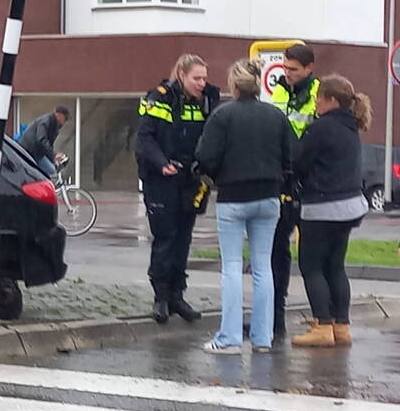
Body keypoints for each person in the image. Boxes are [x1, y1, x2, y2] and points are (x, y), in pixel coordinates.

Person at [194, 60, 293, 354]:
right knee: (264, 268)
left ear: (234, 85)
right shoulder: (275, 116)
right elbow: (291, 155)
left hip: (234, 198)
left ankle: (230, 338)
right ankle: (263, 338)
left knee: (233, 267)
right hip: (269, 197)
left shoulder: (222, 116)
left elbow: (205, 156)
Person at [136, 54, 221, 323]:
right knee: (165, 237)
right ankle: (160, 297)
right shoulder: (158, 98)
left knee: (184, 239)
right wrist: (161, 164)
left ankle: (177, 296)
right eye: (197, 78)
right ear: (182, 75)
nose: (202, 83)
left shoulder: (207, 101)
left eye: (204, 78)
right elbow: (144, 138)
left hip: (191, 181)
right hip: (161, 180)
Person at [291, 74, 371, 348]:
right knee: (336, 266)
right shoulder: (352, 126)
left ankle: (322, 325)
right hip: (350, 205)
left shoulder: (321, 127)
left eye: (318, 99)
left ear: (331, 100)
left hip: (322, 206)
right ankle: (342, 325)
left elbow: (300, 162)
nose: (315, 104)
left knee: (311, 266)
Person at [269, 44, 320, 338]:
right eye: (285, 68)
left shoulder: (317, 94)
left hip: (307, 182)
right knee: (278, 251)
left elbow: (316, 139)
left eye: (294, 69)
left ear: (310, 68)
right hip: (282, 179)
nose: (287, 74)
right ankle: (276, 319)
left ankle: (323, 320)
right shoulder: (279, 91)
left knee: (312, 257)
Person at [17, 106, 69, 177]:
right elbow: (41, 139)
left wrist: (54, 157)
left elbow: (48, 146)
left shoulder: (55, 128)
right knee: (50, 171)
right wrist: (54, 155)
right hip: (28, 152)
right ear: (59, 115)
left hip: (37, 155)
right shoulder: (46, 121)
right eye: (65, 118)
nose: (65, 122)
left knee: (51, 170)